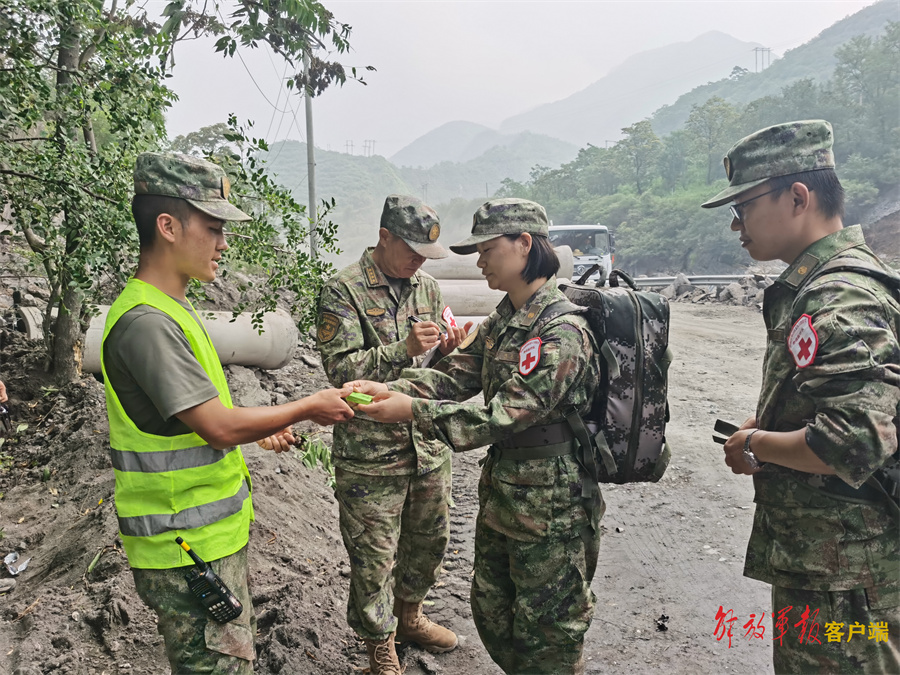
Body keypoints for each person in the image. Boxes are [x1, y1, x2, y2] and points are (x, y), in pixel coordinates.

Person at [101, 152, 355, 674]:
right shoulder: (148, 322)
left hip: (202, 543)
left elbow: (195, 420)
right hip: (187, 549)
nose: (223, 243)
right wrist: (306, 407)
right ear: (168, 226)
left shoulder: (172, 308)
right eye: (213, 228)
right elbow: (216, 424)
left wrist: (259, 432)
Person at [350, 198, 604, 675]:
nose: (480, 261)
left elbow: (503, 415)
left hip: (553, 504)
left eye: (487, 249)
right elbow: (453, 375)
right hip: (506, 493)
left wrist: (413, 410)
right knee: (493, 612)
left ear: (524, 244)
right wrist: (387, 389)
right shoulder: (505, 319)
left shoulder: (563, 330)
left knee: (549, 633)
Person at [701, 120, 900, 673]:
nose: (736, 227)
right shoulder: (838, 280)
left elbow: (853, 440)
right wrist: (771, 427)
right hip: (835, 564)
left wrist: (758, 444)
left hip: (844, 573)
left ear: (797, 196)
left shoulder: (836, 292)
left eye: (743, 207)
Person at [315, 194, 468, 675]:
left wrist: (449, 350)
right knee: (373, 556)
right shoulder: (343, 291)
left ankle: (410, 617)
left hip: (426, 445)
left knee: (428, 543)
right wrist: (400, 349)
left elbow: (436, 374)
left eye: (427, 253)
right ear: (384, 237)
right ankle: (380, 645)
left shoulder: (428, 289)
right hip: (371, 456)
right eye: (413, 250)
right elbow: (340, 372)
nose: (421, 261)